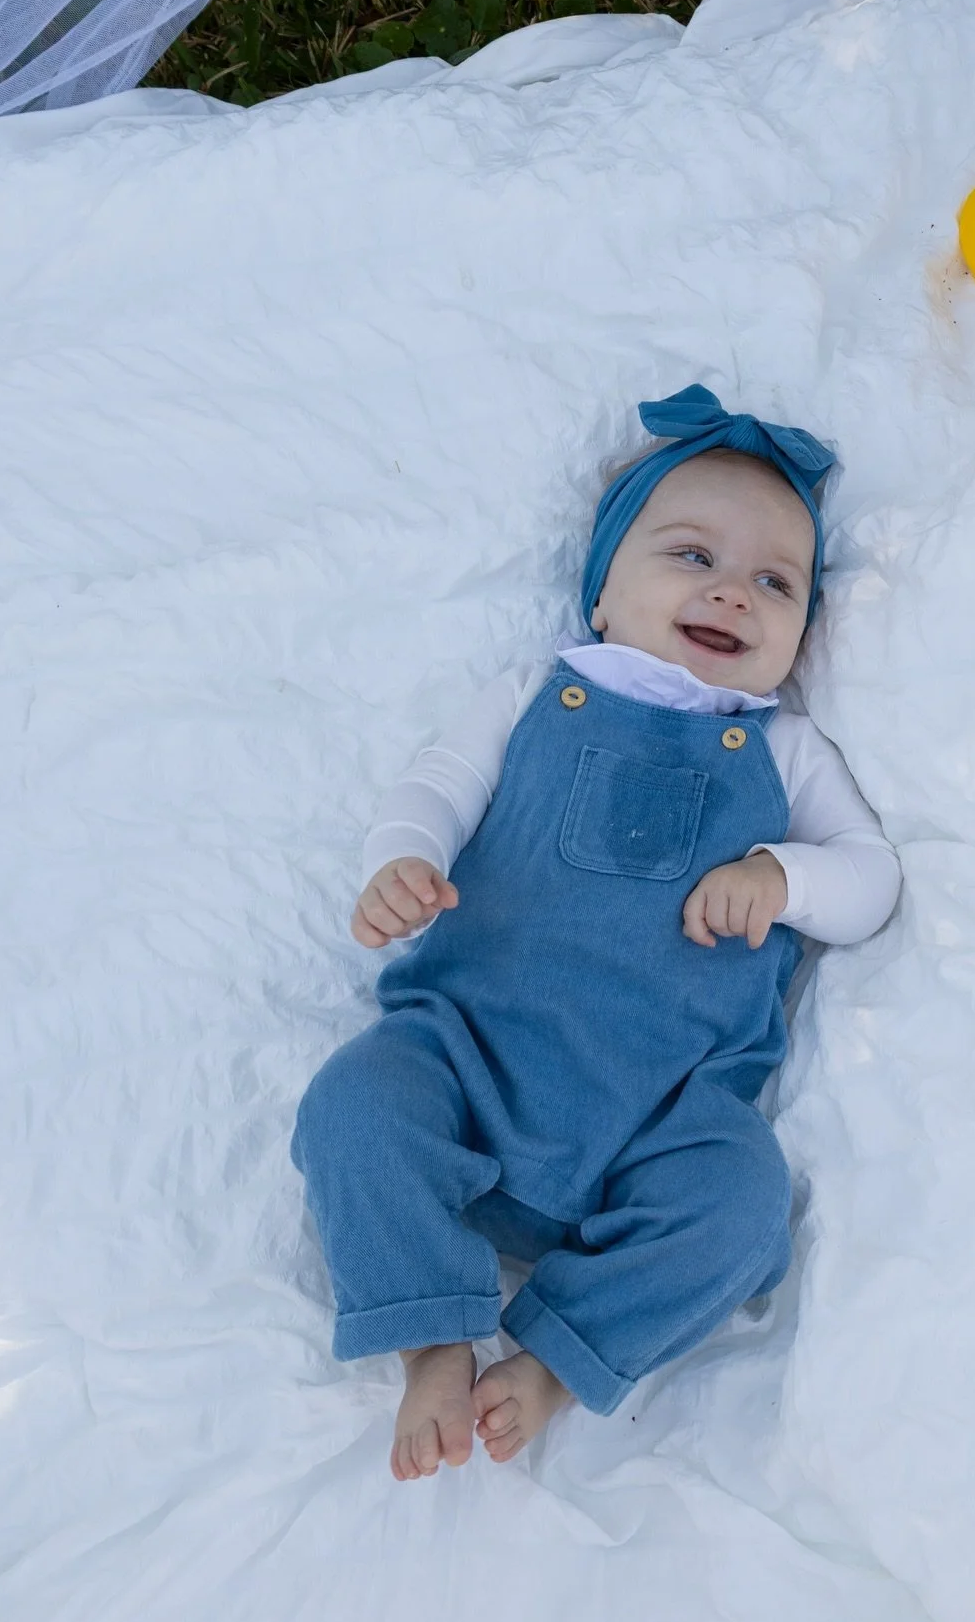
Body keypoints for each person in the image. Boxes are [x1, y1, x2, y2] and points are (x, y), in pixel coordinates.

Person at [289, 384, 902, 1478]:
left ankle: (555, 1361)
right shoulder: (536, 694)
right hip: (465, 1055)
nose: (733, 591)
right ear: (604, 594)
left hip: (664, 1118)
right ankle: (433, 1340)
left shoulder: (785, 750)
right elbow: (437, 784)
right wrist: (405, 860)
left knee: (742, 1207)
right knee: (353, 1105)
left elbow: (872, 883)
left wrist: (783, 876)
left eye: (776, 582)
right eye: (692, 556)